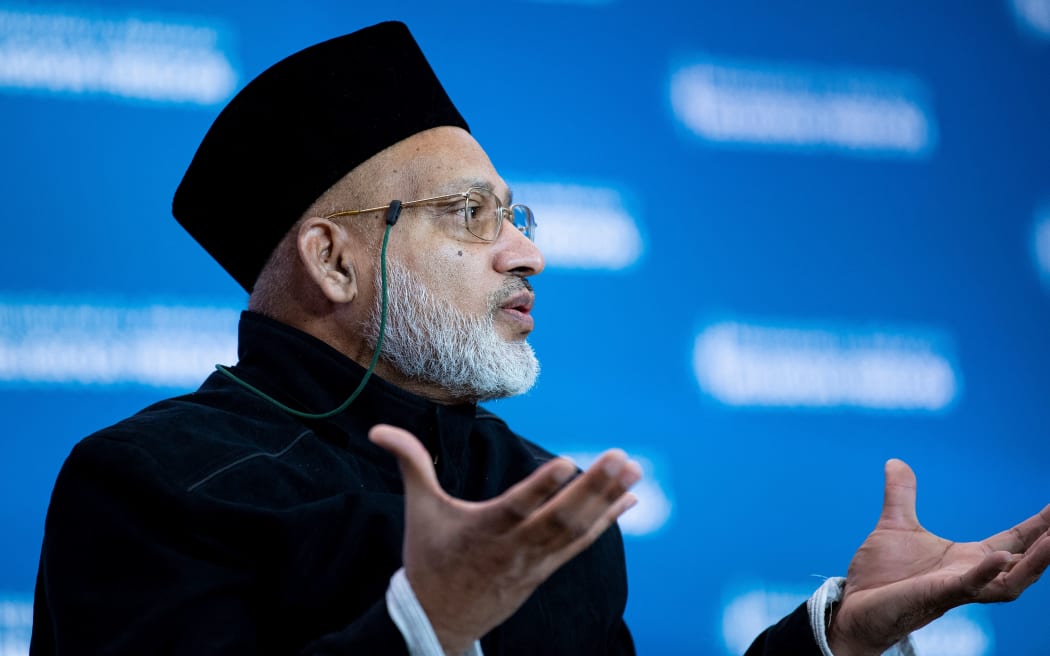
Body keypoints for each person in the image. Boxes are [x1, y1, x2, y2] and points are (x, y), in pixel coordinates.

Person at [30, 21, 1049, 656]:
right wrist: (426, 625)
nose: (527, 253)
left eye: (516, 215)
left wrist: (836, 636)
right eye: (470, 215)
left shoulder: (543, 493)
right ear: (335, 262)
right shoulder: (150, 484)